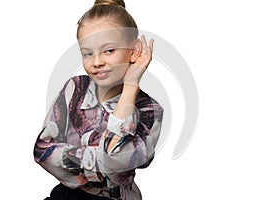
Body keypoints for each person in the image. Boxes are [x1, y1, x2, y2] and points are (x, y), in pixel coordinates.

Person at [33, 0, 164, 199]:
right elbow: (42, 151)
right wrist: (100, 163)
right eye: (87, 53)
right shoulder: (74, 88)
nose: (96, 62)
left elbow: (115, 158)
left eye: (109, 50)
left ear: (135, 50)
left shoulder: (150, 110)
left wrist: (131, 86)